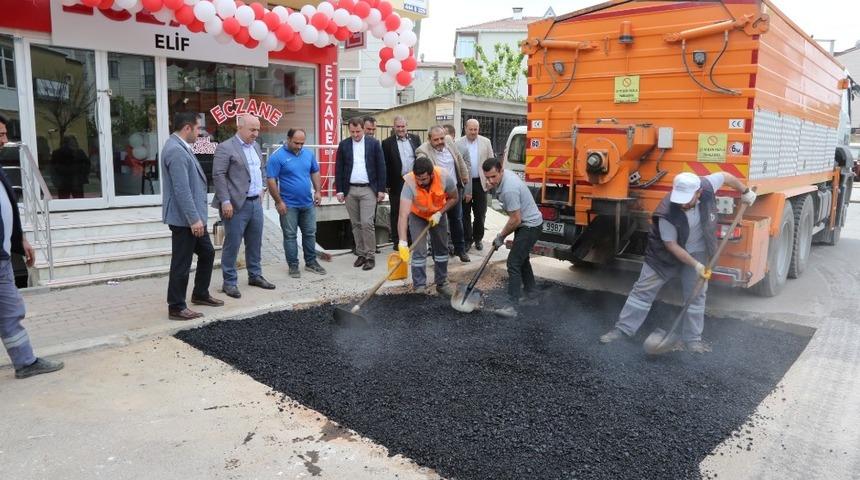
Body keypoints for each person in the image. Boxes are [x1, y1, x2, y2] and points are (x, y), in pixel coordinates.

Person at [599, 172, 756, 353]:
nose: (682, 203)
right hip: (663, 255)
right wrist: (697, 266)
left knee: (696, 294)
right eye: (679, 198)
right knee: (642, 290)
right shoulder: (666, 212)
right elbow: (672, 246)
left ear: (698, 192)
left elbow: (726, 176)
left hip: (697, 250)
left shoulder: (706, 185)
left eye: (686, 199)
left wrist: (745, 191)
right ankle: (623, 330)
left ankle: (693, 340)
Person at [0, 114, 64, 379]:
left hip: (3, 257)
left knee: (11, 309)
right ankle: (25, 362)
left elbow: (9, 210)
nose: (5, 141)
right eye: (0, 135)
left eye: (4, 134)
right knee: (10, 308)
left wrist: (21, 240)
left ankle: (25, 362)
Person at [162, 111, 223, 320]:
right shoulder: (175, 150)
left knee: (207, 253)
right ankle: (176, 306)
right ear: (187, 128)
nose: (200, 133)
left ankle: (200, 293)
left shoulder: (181, 147)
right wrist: (194, 219)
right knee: (181, 262)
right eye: (197, 129)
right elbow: (181, 190)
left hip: (192, 218)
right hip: (185, 220)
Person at [211, 114, 275, 299]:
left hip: (255, 203)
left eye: (258, 129)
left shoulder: (255, 146)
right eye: (252, 129)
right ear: (240, 127)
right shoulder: (225, 147)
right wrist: (225, 201)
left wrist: (263, 188)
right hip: (235, 205)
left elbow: (261, 169)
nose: (256, 133)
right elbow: (219, 175)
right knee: (232, 244)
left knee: (255, 243)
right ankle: (229, 282)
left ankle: (255, 276)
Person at [484, 158, 543, 317]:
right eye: (487, 177)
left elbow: (515, 219)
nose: (490, 180)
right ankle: (532, 296)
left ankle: (512, 306)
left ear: (501, 171)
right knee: (522, 259)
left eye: (493, 177)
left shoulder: (509, 188)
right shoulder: (504, 178)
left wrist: (501, 236)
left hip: (529, 225)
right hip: (525, 223)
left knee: (513, 262)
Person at [266, 128, 327, 278]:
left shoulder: (308, 154)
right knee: (290, 236)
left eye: (302, 143)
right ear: (288, 139)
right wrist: (278, 201)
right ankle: (293, 265)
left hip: (307, 203)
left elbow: (315, 171)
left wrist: (318, 191)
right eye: (296, 143)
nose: (299, 146)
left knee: (310, 233)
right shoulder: (277, 157)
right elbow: (271, 180)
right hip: (288, 205)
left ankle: (311, 262)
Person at [396, 156, 458, 296]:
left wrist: (440, 213)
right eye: (418, 179)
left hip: (437, 214)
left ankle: (442, 283)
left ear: (431, 174)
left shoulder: (444, 176)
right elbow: (403, 215)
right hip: (418, 215)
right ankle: (419, 286)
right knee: (419, 251)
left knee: (441, 249)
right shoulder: (410, 182)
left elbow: (454, 198)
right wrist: (402, 241)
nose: (420, 182)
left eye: (423, 179)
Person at [335, 117, 386, 270]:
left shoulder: (374, 144)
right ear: (348, 130)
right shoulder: (344, 145)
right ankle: (361, 254)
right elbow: (339, 168)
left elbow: (381, 166)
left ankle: (370, 256)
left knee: (366, 223)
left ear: (364, 129)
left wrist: (381, 189)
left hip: (368, 189)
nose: (355, 134)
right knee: (355, 224)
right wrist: (339, 190)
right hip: (350, 189)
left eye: (358, 131)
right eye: (352, 132)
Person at [416, 125, 471, 262]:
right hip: (437, 193)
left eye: (442, 138)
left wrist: (464, 176)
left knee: (457, 219)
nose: (440, 141)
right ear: (429, 139)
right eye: (436, 139)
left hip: (454, 189)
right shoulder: (423, 150)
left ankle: (460, 250)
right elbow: (420, 164)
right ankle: (438, 254)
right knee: (438, 224)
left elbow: (458, 158)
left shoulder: (449, 142)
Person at [381, 115, 420, 249]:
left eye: (403, 126)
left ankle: (411, 239)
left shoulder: (415, 139)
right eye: (398, 126)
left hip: (414, 181)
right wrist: (387, 184)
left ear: (406, 126)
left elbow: (419, 158)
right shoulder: (387, 143)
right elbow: (385, 164)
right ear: (394, 127)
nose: (401, 129)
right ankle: (398, 241)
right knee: (397, 212)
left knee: (414, 211)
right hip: (397, 182)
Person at [456, 119, 493, 251]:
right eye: (470, 129)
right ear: (465, 129)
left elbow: (491, 162)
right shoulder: (458, 143)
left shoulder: (485, 142)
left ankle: (478, 238)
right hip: (465, 182)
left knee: (480, 213)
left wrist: (490, 182)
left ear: (478, 129)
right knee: (465, 213)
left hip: (480, 183)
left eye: (475, 129)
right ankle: (467, 239)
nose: (473, 132)